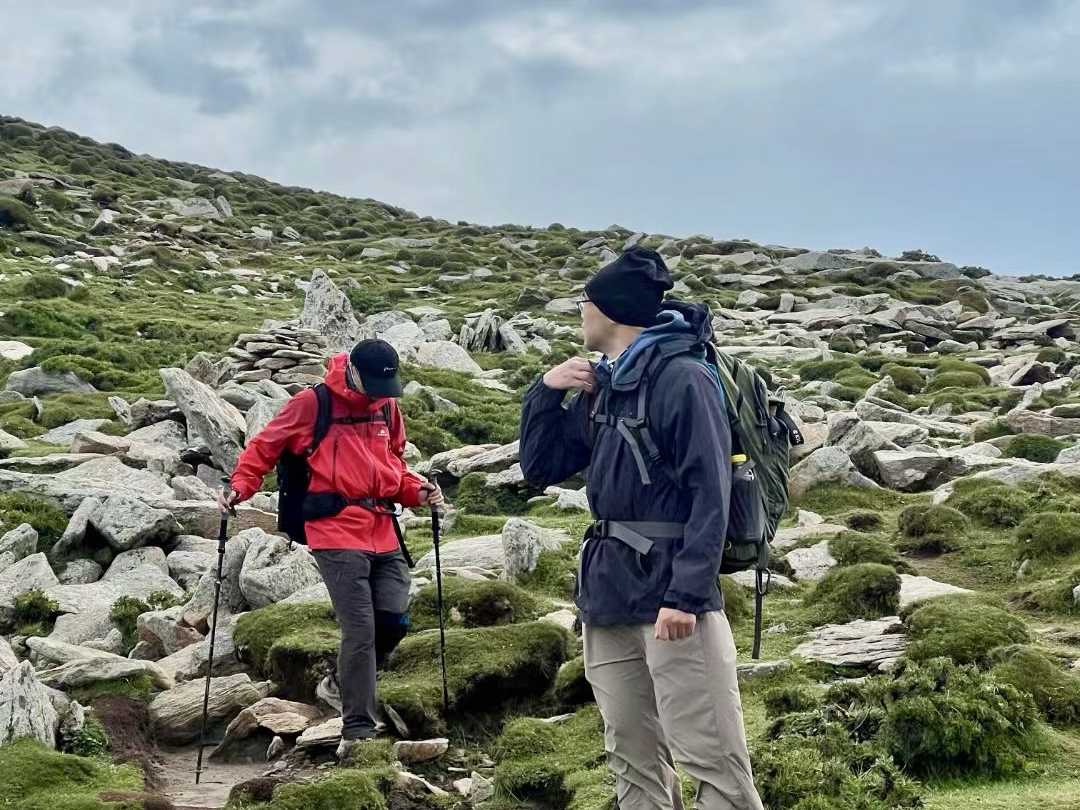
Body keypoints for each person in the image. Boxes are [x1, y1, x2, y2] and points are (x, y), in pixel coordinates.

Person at [519, 247, 764, 810]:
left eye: (586, 301)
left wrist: (686, 595)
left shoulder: (684, 378)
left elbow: (712, 492)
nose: (580, 310)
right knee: (631, 758)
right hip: (607, 596)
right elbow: (541, 467)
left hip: (673, 601)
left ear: (610, 309)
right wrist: (546, 391)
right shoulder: (606, 383)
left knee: (712, 757)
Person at [218, 338, 443, 759]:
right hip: (334, 530)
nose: (381, 393)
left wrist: (418, 491)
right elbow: (264, 448)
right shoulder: (312, 404)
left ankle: (339, 685)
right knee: (359, 630)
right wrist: (238, 488)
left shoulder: (387, 408)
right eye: (374, 384)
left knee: (392, 621)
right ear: (353, 371)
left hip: (383, 526)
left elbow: (393, 464)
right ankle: (357, 730)